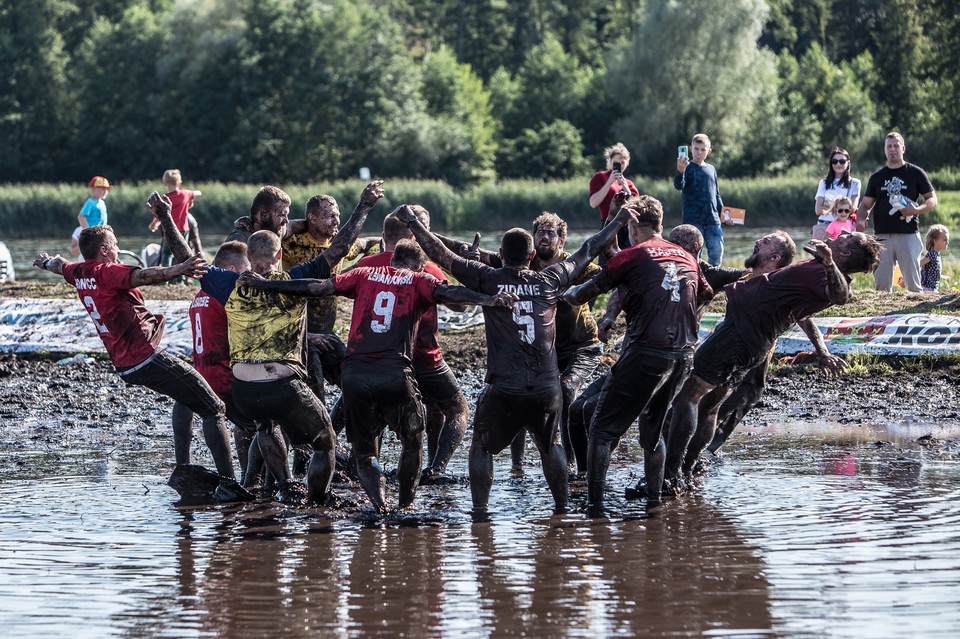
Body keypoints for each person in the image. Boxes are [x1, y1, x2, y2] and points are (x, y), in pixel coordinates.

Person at [238, 238, 515, 513]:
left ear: (393, 259)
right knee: (412, 443)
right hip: (395, 374)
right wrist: (489, 300)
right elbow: (451, 294)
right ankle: (405, 506)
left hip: (355, 376)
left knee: (366, 453)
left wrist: (267, 283)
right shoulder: (419, 280)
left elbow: (318, 287)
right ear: (419, 266)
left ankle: (380, 506)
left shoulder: (363, 274)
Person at [397, 201, 636, 517]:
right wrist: (618, 220)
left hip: (504, 386)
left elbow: (441, 254)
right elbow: (589, 248)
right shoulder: (549, 279)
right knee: (551, 446)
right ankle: (562, 512)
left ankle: (481, 514)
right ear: (532, 256)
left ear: (501, 254)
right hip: (545, 387)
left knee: (482, 446)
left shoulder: (488, 278)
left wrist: (413, 222)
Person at [33, 226, 251, 502]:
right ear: (103, 251)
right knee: (214, 408)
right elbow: (144, 275)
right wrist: (180, 269)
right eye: (114, 245)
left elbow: (58, 265)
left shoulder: (77, 272)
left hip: (125, 365)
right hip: (145, 358)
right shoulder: (107, 271)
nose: (117, 249)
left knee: (185, 396)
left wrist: (43, 261)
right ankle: (229, 484)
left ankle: (184, 469)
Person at [664, 232, 883, 492]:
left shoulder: (828, 275)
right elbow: (803, 312)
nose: (840, 234)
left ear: (844, 254)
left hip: (740, 335)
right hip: (751, 339)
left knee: (688, 396)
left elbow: (842, 297)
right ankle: (688, 469)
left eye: (846, 236)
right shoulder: (813, 272)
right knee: (711, 406)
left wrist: (827, 262)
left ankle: (670, 474)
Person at [561, 195, 713, 512]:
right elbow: (706, 292)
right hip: (684, 355)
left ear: (632, 226)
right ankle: (655, 504)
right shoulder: (685, 256)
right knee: (652, 428)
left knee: (601, 429)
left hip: (648, 353)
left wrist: (559, 293)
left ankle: (595, 506)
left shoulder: (632, 255)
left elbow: (582, 294)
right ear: (659, 224)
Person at [437, 213, 604, 477]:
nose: (545, 236)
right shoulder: (525, 262)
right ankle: (517, 466)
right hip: (545, 350)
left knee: (566, 390)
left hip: (581, 345)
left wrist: (609, 314)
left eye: (551, 233)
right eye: (540, 232)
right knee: (522, 393)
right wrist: (428, 234)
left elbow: (609, 274)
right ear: (532, 244)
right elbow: (469, 254)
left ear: (562, 240)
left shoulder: (574, 265)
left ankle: (573, 462)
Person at [354, 210, 470, 484]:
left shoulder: (367, 265)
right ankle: (436, 467)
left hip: (377, 361)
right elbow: (460, 304)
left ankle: (366, 469)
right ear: (412, 237)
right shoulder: (426, 268)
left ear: (383, 238)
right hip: (424, 359)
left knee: (369, 411)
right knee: (457, 409)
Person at [856, 132, 938, 292]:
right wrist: (861, 218)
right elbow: (865, 204)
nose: (892, 149)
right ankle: (882, 316)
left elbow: (932, 199)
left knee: (914, 286)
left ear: (903, 148)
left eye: (896, 145)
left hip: (908, 235)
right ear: (885, 150)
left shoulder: (915, 173)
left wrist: (916, 210)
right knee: (882, 287)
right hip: (881, 237)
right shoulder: (877, 177)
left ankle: (917, 314)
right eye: (889, 146)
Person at [674, 133, 725, 266]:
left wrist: (724, 214)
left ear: (709, 151)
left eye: (703, 149)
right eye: (696, 149)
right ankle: (696, 282)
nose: (699, 152)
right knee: (694, 256)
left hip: (713, 220)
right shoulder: (686, 167)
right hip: (693, 220)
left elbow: (717, 195)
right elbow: (678, 185)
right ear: (691, 148)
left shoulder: (711, 169)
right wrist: (680, 171)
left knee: (717, 254)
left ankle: (713, 282)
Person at [589, 142, 640, 253]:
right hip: (608, 223)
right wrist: (609, 183)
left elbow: (638, 207)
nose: (619, 165)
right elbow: (593, 203)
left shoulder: (629, 183)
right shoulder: (600, 177)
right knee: (607, 259)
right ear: (610, 162)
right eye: (616, 162)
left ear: (627, 163)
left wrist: (626, 188)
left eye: (622, 162)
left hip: (627, 227)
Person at [149, 169, 201, 270]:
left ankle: (165, 277)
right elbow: (198, 192)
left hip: (169, 230)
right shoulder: (185, 194)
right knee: (182, 255)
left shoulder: (164, 199)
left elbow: (159, 216)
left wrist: (152, 226)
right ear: (179, 183)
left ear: (165, 182)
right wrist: (190, 197)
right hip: (183, 230)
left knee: (167, 254)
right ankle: (180, 279)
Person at [812, 148, 861, 240]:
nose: (838, 164)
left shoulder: (855, 183)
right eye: (835, 161)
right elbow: (818, 210)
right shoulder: (823, 183)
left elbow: (852, 207)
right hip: (823, 224)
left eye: (842, 161)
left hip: (843, 227)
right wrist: (841, 206)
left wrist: (828, 205)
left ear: (848, 163)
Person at [70, 176, 111, 257]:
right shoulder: (90, 202)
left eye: (106, 189)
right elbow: (81, 216)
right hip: (91, 232)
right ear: (93, 189)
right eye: (102, 188)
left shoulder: (102, 203)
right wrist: (88, 232)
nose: (105, 191)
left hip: (101, 233)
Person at [921, 224, 950, 292]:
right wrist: (906, 278)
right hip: (928, 289)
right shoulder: (932, 254)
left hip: (932, 289)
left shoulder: (936, 254)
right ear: (935, 241)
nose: (947, 242)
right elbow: (919, 264)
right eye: (945, 240)